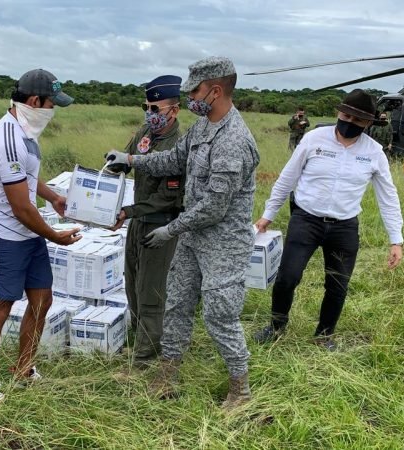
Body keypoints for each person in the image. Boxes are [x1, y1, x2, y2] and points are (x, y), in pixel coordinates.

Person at [105, 56, 260, 410]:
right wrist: (130, 161)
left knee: (219, 315)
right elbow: (174, 159)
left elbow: (215, 207)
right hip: (192, 238)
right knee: (176, 304)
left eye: (195, 90)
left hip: (223, 243)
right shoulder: (202, 127)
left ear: (215, 90)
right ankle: (167, 372)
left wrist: (169, 229)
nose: (190, 97)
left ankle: (240, 389)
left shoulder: (234, 140)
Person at [253, 89, 404, 350]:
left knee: (337, 284)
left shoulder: (374, 152)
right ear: (338, 112)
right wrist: (268, 215)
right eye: (346, 116)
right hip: (306, 220)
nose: (349, 123)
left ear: (368, 123)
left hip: (344, 227)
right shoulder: (314, 139)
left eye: (358, 121)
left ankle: (324, 335)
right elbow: (287, 179)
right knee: (288, 277)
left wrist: (396, 240)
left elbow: (388, 197)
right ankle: (276, 327)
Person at [0, 69, 81, 402]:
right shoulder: (7, 139)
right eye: (51, 104)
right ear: (35, 101)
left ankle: (24, 369)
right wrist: (54, 235)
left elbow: (26, 181)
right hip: (6, 236)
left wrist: (52, 197)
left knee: (42, 300)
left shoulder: (25, 131)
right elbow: (20, 207)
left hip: (29, 234)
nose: (53, 111)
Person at [110, 75, 184, 371]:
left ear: (174, 110)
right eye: (147, 107)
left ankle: (145, 358)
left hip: (160, 225)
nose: (150, 115)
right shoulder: (146, 134)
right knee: (132, 284)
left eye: (156, 109)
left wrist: (128, 211)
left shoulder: (179, 145)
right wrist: (115, 164)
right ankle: (139, 339)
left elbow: (168, 197)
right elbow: (128, 161)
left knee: (150, 291)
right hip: (137, 222)